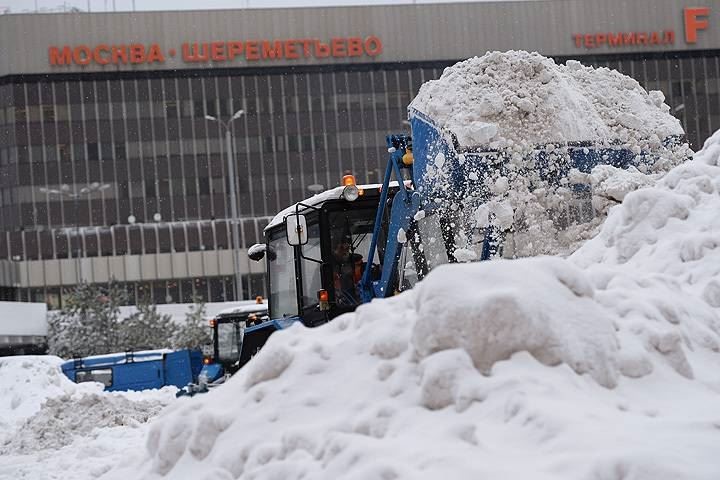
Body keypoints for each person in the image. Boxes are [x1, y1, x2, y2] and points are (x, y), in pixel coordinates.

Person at [332, 237, 361, 305]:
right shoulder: (327, 270)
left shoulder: (360, 266)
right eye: (341, 248)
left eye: (347, 248)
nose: (345, 252)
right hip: (337, 308)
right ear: (333, 250)